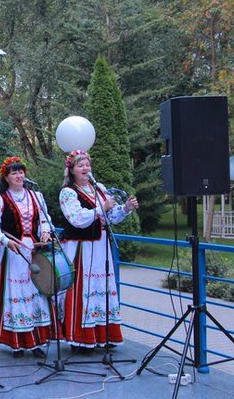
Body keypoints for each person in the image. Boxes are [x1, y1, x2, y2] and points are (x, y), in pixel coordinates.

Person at [58, 150, 138, 352]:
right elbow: (77, 219)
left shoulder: (99, 188)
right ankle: (81, 338)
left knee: (102, 286)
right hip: (81, 247)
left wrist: (125, 208)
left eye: (87, 164)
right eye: (80, 165)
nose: (85, 168)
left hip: (101, 244)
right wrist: (101, 207)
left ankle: (104, 335)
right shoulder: (68, 192)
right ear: (72, 170)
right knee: (82, 287)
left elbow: (110, 218)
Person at [0, 156, 54, 358]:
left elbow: (45, 219)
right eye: (14, 173)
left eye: (21, 172)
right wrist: (6, 241)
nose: (19, 175)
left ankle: (36, 342)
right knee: (14, 293)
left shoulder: (36, 196)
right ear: (6, 177)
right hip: (11, 253)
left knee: (35, 291)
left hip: (33, 251)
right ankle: (16, 343)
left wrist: (45, 232)